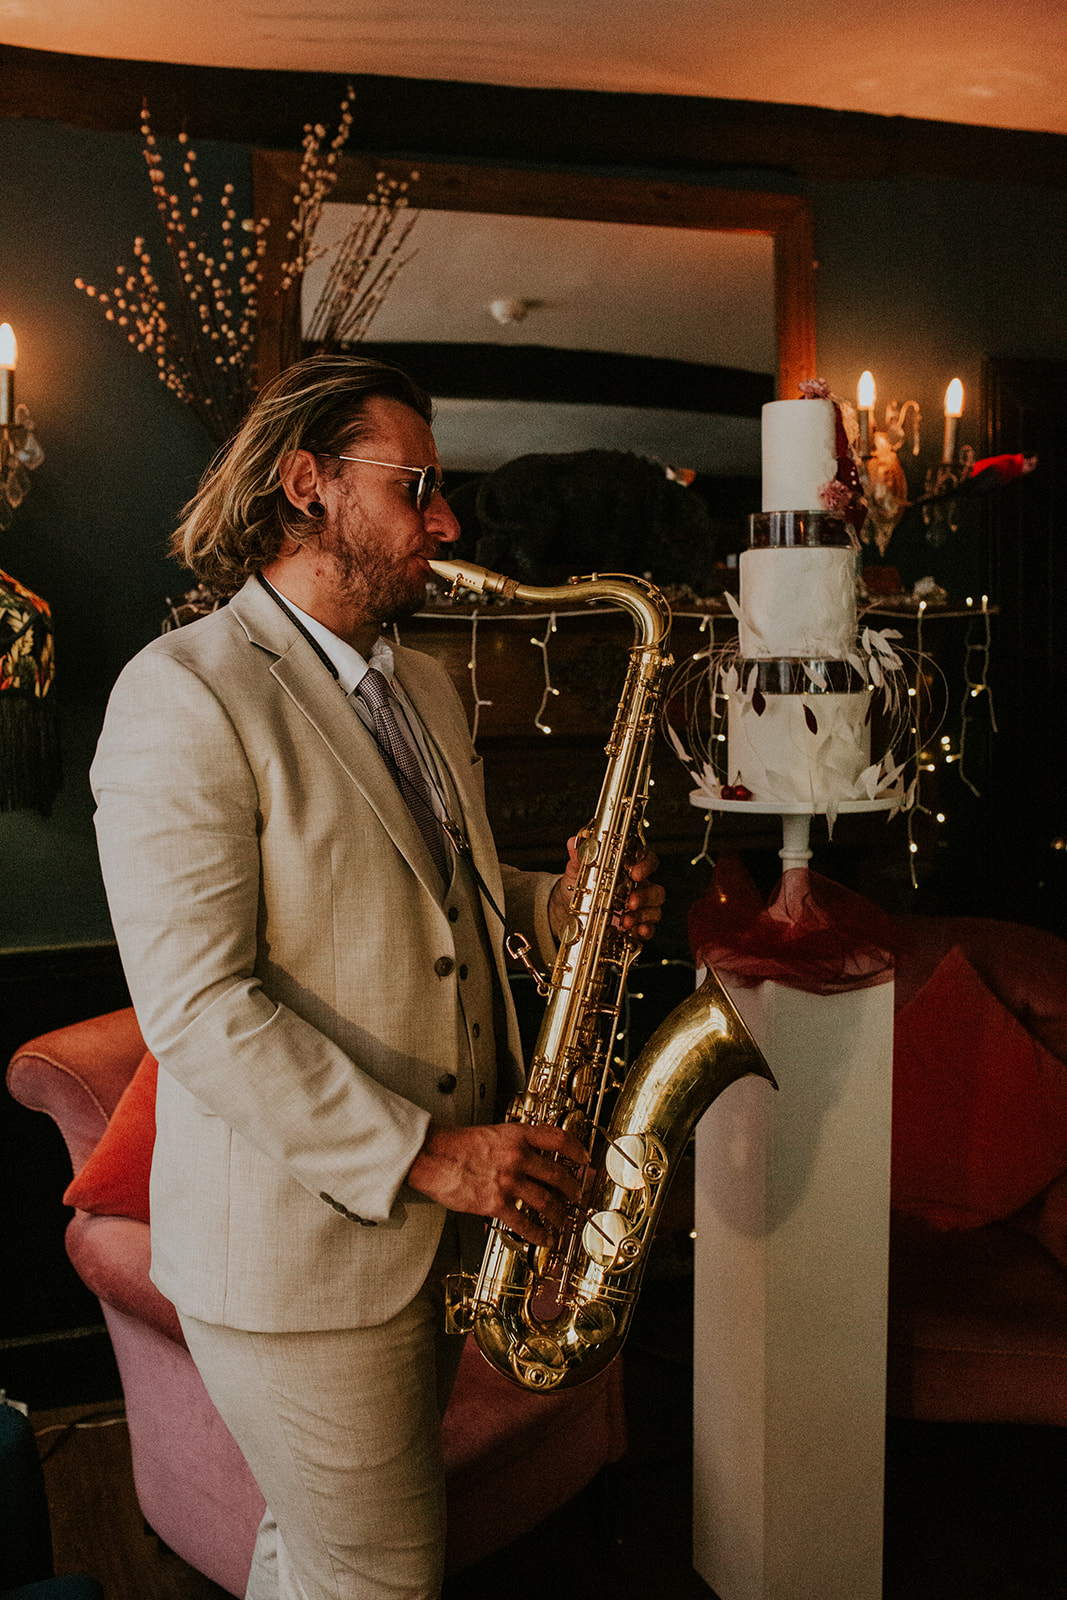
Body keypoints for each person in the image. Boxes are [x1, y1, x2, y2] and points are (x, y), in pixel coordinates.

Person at [90, 354, 664, 1600]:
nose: (447, 523)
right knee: (386, 1574)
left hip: (421, 1240)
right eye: (417, 487)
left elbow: (448, 903)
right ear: (307, 484)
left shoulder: (426, 687)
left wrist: (563, 907)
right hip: (300, 1254)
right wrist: (435, 1152)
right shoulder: (181, 694)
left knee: (317, 1551)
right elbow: (198, 1007)